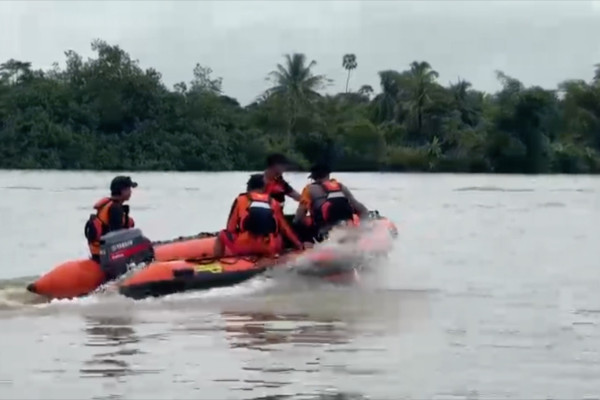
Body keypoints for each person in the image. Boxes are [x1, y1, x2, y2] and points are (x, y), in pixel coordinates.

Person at [214, 174, 307, 258]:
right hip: (268, 247)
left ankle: (218, 262)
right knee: (278, 236)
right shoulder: (273, 202)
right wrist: (299, 245)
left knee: (222, 234)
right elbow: (285, 229)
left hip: (245, 246)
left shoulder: (241, 199)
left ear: (248, 187)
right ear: (263, 187)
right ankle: (274, 256)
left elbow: (231, 228)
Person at [293, 163, 369, 235]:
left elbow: (300, 215)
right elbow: (362, 210)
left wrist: (294, 224)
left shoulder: (308, 189)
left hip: (324, 231)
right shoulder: (340, 186)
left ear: (313, 177)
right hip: (347, 228)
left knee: (304, 223)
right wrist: (362, 227)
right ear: (328, 175)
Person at [85, 176, 137, 262]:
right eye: (129, 189)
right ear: (122, 191)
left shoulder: (109, 205)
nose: (131, 192)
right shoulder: (115, 208)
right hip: (107, 256)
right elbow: (116, 236)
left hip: (99, 252)